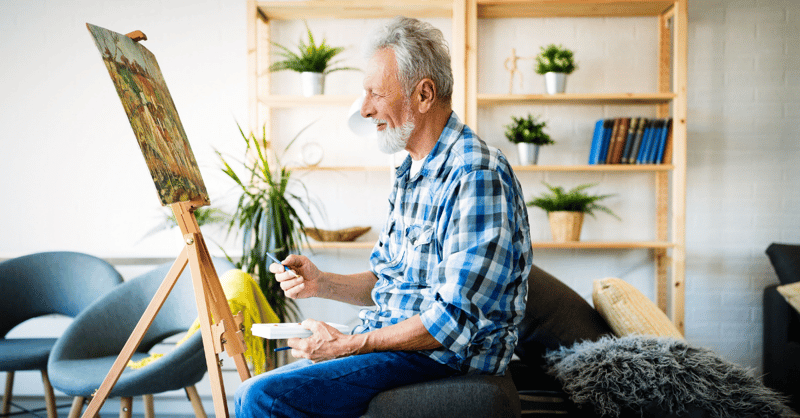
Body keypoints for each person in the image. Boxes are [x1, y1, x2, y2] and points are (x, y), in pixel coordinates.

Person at [235, 16, 532, 418]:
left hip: (445, 357)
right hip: (400, 344)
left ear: (424, 94)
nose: (365, 108)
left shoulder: (475, 174)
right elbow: (389, 279)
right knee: (254, 391)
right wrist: (320, 282)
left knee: (262, 397)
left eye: (376, 93)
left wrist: (350, 344)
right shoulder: (409, 171)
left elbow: (453, 320)